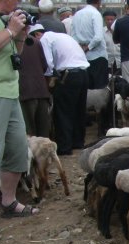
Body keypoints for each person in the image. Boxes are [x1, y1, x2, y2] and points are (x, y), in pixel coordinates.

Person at [0, 1, 40, 230]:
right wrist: (10, 30)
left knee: (16, 150)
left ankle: (9, 201)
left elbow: (16, 53)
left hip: (10, 91)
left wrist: (20, 35)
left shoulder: (3, 17)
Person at [32, 25, 89, 156]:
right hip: (83, 73)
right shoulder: (62, 36)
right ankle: (78, 142)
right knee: (79, 110)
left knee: (63, 112)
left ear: (37, 35)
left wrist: (46, 82)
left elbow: (49, 65)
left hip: (69, 75)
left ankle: (65, 147)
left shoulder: (45, 39)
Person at [19, 24, 51, 138]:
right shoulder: (35, 42)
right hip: (41, 90)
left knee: (29, 133)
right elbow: (45, 66)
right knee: (43, 131)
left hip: (23, 92)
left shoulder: (9, 42)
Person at [71, 0, 109, 89]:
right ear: (98, 2)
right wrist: (88, 47)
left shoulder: (77, 14)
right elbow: (98, 37)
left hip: (82, 57)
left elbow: (73, 36)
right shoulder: (95, 14)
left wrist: (81, 48)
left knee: (85, 89)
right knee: (99, 90)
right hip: (98, 56)